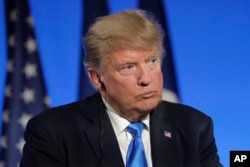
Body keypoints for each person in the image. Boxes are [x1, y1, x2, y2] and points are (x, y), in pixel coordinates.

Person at [20, 9, 222, 167]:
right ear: (96, 78)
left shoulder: (193, 127)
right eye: (128, 67)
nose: (146, 78)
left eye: (152, 61)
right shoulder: (54, 132)